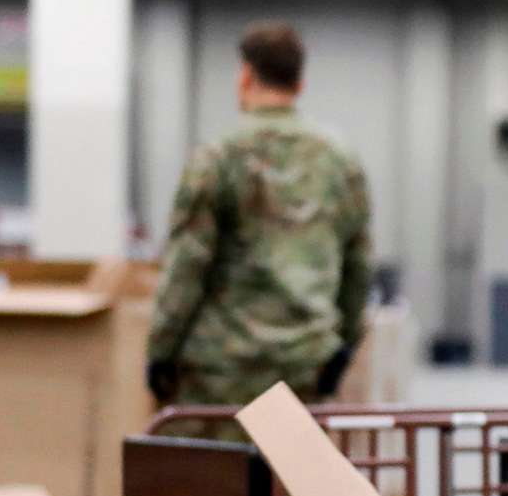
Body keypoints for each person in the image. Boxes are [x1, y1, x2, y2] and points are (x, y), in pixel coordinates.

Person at [146, 23, 372, 430]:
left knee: (217, 487)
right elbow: (358, 264)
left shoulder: (218, 158)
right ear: (299, 84)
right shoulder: (340, 160)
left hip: (221, 375)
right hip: (306, 363)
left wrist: (161, 351)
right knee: (294, 487)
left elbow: (187, 266)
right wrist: (343, 348)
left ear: (246, 76)